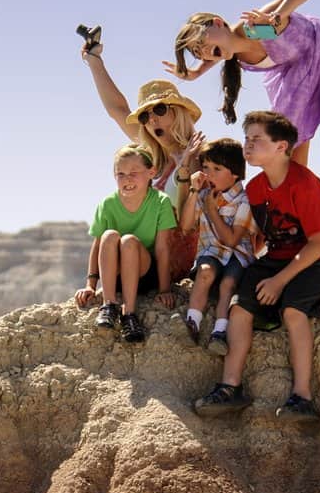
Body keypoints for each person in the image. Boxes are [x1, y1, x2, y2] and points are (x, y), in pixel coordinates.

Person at [166, 0, 320, 239]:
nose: (207, 52)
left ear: (218, 22)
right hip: (297, 80)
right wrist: (197, 71)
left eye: (205, 44)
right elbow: (223, 47)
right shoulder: (228, 50)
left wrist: (281, 15)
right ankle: (295, 237)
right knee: (289, 164)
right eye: (200, 52)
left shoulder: (254, 28)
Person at [193, 111, 320, 423]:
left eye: (257, 139)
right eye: (246, 139)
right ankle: (230, 386)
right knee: (239, 308)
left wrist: (279, 282)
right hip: (277, 257)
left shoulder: (304, 185)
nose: (248, 145)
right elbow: (261, 236)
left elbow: (318, 243)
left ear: (281, 146)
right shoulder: (257, 188)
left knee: (292, 310)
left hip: (317, 260)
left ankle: (302, 397)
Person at [81, 39, 206, 292]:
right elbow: (118, 110)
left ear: (178, 112)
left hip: (172, 259)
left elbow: (188, 223)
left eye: (159, 109)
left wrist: (185, 168)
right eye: (145, 116)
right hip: (139, 252)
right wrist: (94, 60)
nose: (152, 120)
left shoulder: (200, 156)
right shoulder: (152, 159)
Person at [74, 144, 177, 343]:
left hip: (144, 274)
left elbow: (163, 248)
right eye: (120, 174)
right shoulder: (108, 204)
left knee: (128, 240)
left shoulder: (160, 202)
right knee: (109, 236)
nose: (127, 179)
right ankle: (109, 305)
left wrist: (165, 289)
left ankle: (129, 314)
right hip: (115, 275)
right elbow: (97, 246)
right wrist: (90, 285)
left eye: (133, 173)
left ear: (151, 172)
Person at [178, 137, 258, 355]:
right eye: (205, 167)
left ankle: (219, 332)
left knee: (228, 283)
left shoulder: (245, 200)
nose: (208, 174)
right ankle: (192, 323)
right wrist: (194, 192)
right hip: (210, 252)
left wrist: (212, 211)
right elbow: (185, 226)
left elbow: (232, 240)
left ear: (234, 173)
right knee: (204, 272)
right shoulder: (203, 195)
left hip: (237, 255)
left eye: (216, 168)